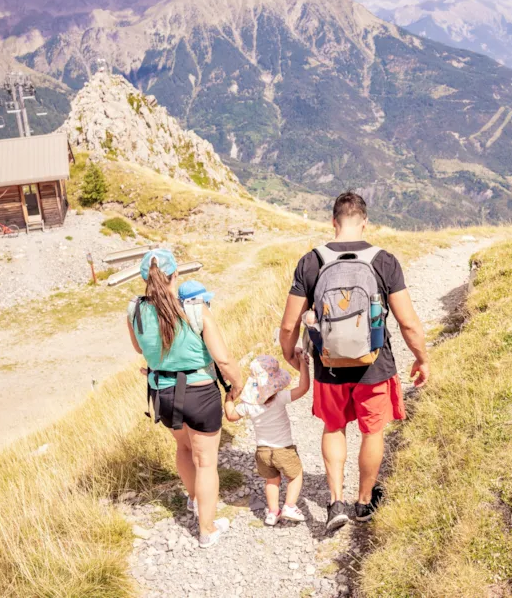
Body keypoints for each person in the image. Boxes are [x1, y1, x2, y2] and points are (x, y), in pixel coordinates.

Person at [280, 191, 430, 531]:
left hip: (328, 366)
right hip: (374, 366)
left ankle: (336, 503)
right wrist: (422, 358)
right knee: (372, 431)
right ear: (364, 223)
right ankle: (364, 502)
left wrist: (291, 355)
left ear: (333, 222)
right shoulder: (384, 260)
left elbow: (289, 324)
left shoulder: (311, 262)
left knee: (334, 428)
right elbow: (408, 322)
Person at [126, 249, 243, 548]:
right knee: (206, 462)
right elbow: (224, 360)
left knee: (183, 447)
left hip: (162, 392)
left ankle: (194, 500)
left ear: (143, 279)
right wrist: (238, 386)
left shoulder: (134, 310)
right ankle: (207, 529)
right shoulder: (194, 309)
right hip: (200, 393)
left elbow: (140, 350)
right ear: (175, 275)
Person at [224, 350, 310, 525]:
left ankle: (272, 512)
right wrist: (304, 365)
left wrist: (229, 398)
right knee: (295, 475)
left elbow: (231, 416)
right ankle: (289, 506)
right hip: (283, 448)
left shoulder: (249, 405)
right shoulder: (280, 398)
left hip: (262, 451)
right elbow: (303, 388)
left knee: (272, 480)